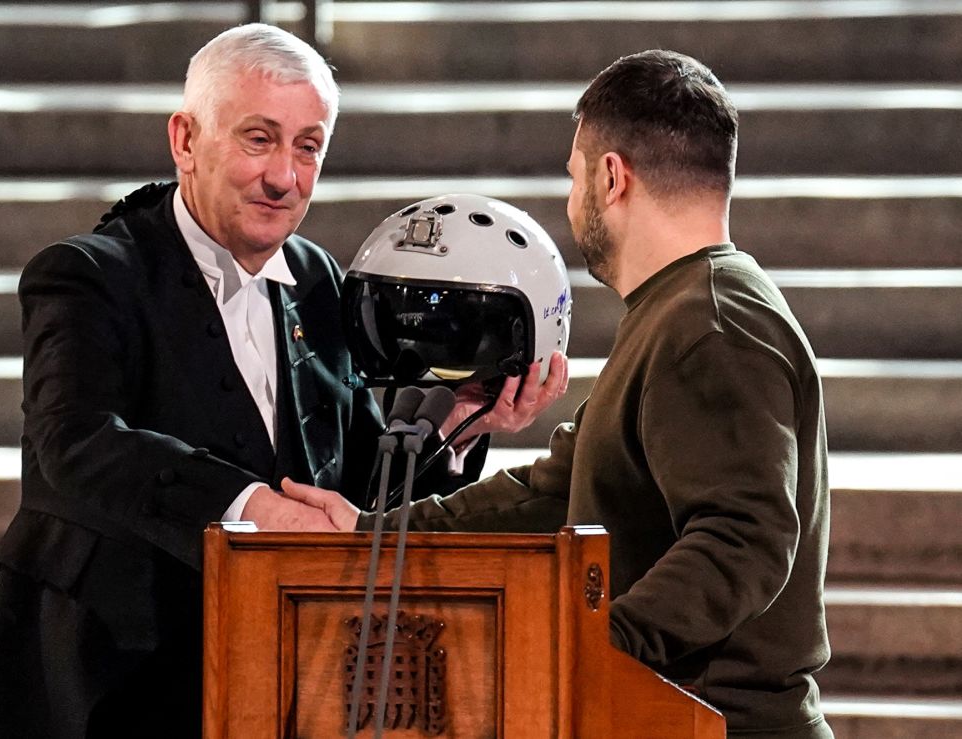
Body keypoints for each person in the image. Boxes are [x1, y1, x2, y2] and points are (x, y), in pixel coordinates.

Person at [0, 24, 566, 739]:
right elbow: (76, 442)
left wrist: (459, 425)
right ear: (185, 139)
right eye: (259, 139)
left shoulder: (318, 279)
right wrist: (251, 506)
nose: (285, 176)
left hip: (281, 683)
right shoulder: (85, 276)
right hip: (107, 688)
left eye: (308, 146)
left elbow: (357, 487)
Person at [285, 50, 833, 738]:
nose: (573, 201)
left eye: (574, 177)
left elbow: (746, 536)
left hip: (719, 723)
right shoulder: (685, 308)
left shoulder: (711, 322)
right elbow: (553, 490)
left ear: (612, 177)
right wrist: (372, 533)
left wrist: (592, 643)